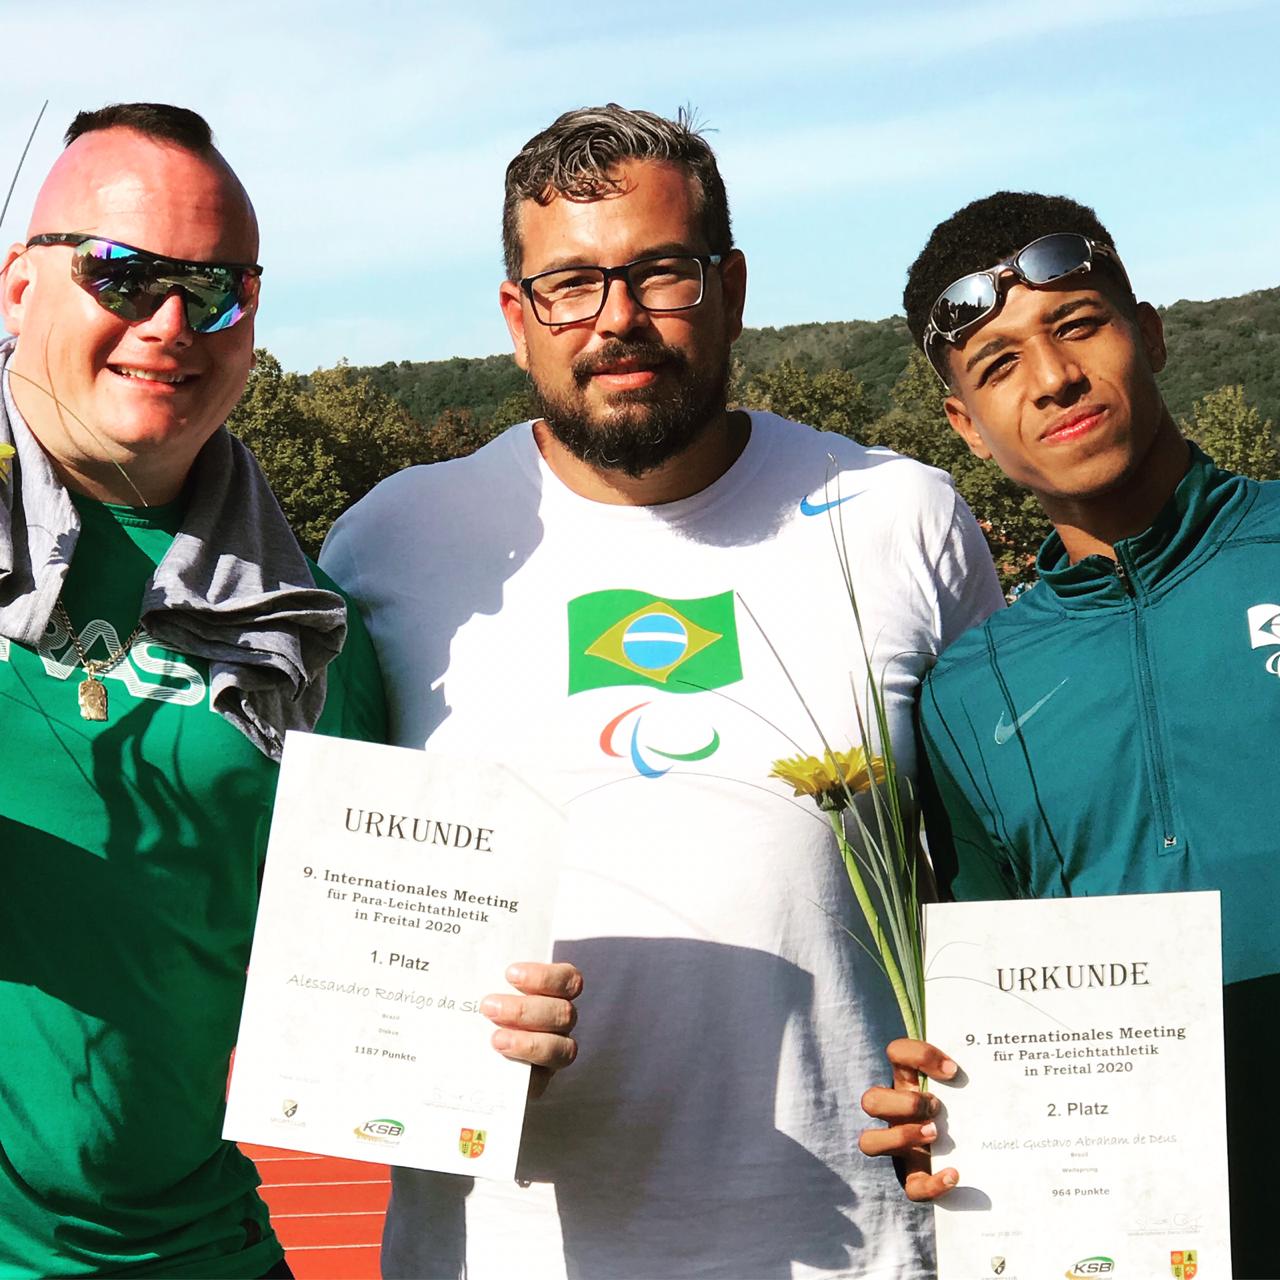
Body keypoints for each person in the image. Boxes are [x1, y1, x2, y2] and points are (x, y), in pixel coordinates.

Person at [321, 104, 1004, 1280]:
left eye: (660, 273)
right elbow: (322, 935)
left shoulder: (905, 517)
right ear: (513, 316)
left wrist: (997, 1080)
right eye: (569, 285)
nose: (616, 320)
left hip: (861, 1250)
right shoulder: (386, 544)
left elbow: (1004, 878)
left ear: (730, 286)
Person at [0, 102, 579, 1280]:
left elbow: (365, 965)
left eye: (213, 290)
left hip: (191, 1249)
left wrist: (482, 1018)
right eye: (123, 274)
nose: (169, 324)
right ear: (19, 286)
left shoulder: (307, 634)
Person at [858, 191, 1278, 1277]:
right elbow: (986, 995)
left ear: (1148, 330)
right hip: (1135, 1228)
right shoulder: (963, 693)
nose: (1050, 378)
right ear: (962, 425)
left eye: (1077, 323)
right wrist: (947, 1097)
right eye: (996, 364)